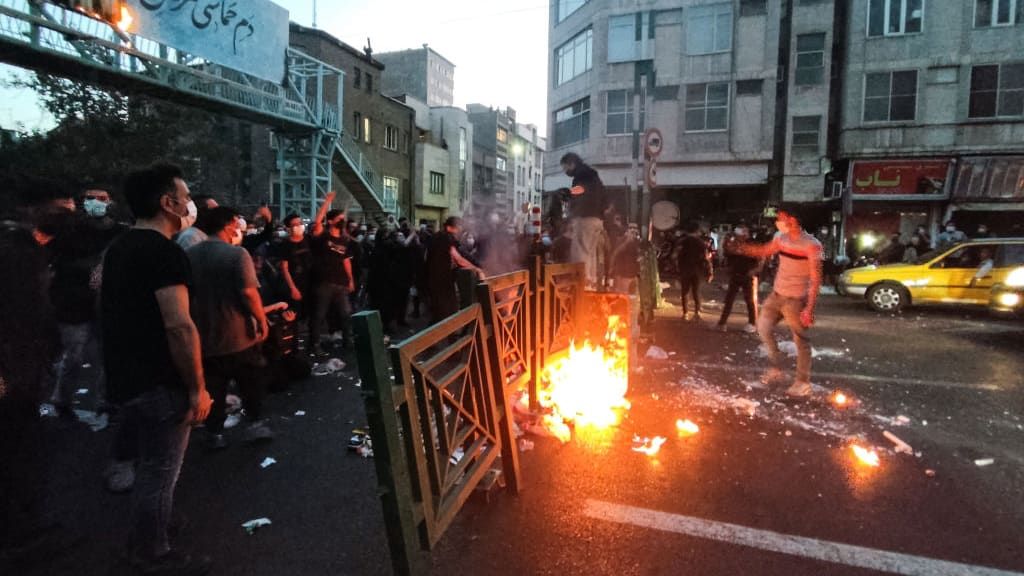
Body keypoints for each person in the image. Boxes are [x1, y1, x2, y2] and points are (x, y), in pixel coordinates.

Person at [101, 163, 212, 574]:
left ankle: (154, 526)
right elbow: (179, 325)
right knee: (160, 471)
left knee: (151, 464)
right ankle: (152, 550)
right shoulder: (164, 253)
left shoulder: (121, 247)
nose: (188, 204)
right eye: (184, 196)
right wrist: (198, 387)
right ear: (168, 203)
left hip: (126, 376)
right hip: (159, 381)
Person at [186, 207, 272, 449]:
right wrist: (261, 320)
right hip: (238, 335)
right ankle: (254, 425)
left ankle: (214, 433)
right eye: (236, 223)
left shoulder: (190, 255)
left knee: (214, 386)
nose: (238, 227)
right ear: (227, 225)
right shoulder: (237, 255)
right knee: (250, 381)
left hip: (204, 335)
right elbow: (248, 292)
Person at [0, 219, 61, 562]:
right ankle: (16, 535)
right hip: (14, 370)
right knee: (14, 450)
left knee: (22, 448)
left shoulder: (25, 254)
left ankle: (23, 524)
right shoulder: (16, 254)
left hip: (25, 366)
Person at [737, 208, 822, 398]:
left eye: (781, 217)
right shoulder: (780, 237)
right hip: (776, 295)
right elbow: (765, 250)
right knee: (763, 328)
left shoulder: (811, 245)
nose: (777, 220)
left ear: (793, 219)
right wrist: (743, 248)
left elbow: (816, 278)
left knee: (800, 340)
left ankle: (802, 382)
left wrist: (809, 308)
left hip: (796, 300)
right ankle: (777, 369)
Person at [309, 200, 355, 355]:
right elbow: (317, 223)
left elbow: (346, 260)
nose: (343, 221)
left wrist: (350, 279)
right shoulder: (323, 236)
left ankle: (347, 341)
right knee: (319, 315)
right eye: (340, 218)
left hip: (341, 282)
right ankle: (315, 345)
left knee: (346, 313)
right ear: (330, 221)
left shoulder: (343, 239)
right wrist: (327, 202)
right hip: (324, 282)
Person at [560, 152, 608, 287]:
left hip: (586, 218)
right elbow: (604, 196)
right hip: (598, 220)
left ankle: (581, 281)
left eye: (565, 168)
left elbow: (581, 189)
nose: (565, 171)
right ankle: (590, 281)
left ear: (571, 163)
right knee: (590, 251)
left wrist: (569, 192)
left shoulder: (581, 174)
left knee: (580, 250)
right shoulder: (594, 175)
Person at [425, 217, 483, 324]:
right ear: (450, 227)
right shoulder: (446, 238)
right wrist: (478, 269)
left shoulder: (438, 237)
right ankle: (448, 333)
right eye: (458, 227)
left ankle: (439, 327)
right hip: (443, 278)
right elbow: (459, 258)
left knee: (439, 306)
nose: (460, 230)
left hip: (435, 277)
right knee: (449, 307)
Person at [717, 226, 760, 333]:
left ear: (745, 235)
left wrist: (754, 271)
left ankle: (752, 323)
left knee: (750, 300)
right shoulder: (735, 244)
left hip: (748, 276)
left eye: (739, 236)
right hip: (736, 274)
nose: (737, 238)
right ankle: (722, 323)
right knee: (729, 300)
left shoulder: (753, 244)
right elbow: (729, 255)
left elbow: (761, 259)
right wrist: (726, 244)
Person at [276, 212, 316, 318]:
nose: (299, 226)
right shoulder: (285, 245)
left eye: (300, 223)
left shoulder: (309, 239)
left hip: (312, 282)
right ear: (288, 228)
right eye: (295, 224)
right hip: (296, 282)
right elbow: (284, 268)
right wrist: (292, 288)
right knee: (296, 313)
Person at [676, 221, 711, 322]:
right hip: (697, 271)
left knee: (685, 292)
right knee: (696, 291)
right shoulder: (701, 243)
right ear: (697, 231)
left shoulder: (682, 242)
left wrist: (678, 269)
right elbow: (706, 258)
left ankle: (685, 313)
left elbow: (676, 256)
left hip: (685, 270)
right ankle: (697, 313)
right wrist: (709, 272)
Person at [609, 222, 640, 294]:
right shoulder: (621, 240)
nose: (633, 230)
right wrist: (626, 242)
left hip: (633, 275)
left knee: (633, 297)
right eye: (631, 228)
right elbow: (615, 253)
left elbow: (639, 257)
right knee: (621, 296)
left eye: (635, 228)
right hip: (622, 275)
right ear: (627, 230)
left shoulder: (638, 242)